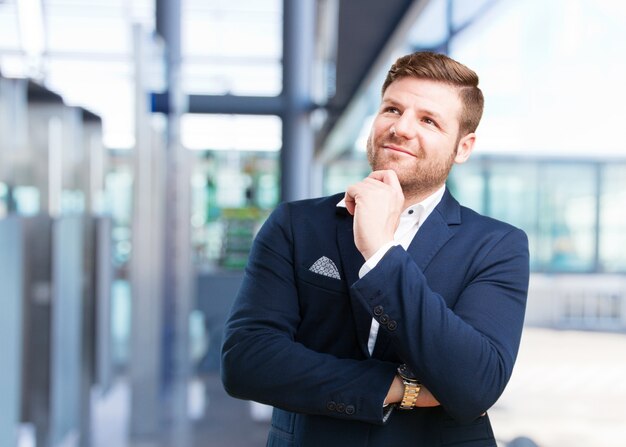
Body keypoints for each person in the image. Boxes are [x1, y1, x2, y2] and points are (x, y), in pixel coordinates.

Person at [221, 51, 529, 446]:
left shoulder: (497, 245)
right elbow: (247, 362)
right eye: (392, 109)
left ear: (463, 147)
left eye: (428, 120)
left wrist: (382, 253)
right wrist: (400, 387)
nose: (401, 128)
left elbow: (475, 384)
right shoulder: (296, 225)